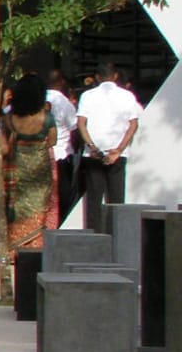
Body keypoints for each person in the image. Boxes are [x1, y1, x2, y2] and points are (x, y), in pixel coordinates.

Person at [76, 65, 141, 232]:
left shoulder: (87, 95)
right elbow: (133, 125)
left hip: (94, 154)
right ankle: (117, 236)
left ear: (97, 77)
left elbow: (81, 123)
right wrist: (119, 149)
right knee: (117, 200)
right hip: (117, 153)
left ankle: (94, 237)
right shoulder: (127, 96)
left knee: (94, 201)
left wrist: (92, 146)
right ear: (115, 76)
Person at [3, 73, 59, 253]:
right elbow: (53, 141)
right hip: (40, 165)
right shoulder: (46, 117)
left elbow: (5, 142)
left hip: (17, 164)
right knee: (40, 205)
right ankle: (36, 246)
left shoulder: (9, 118)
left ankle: (15, 247)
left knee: (17, 205)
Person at [47, 70, 81, 221]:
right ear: (61, 82)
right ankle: (60, 223)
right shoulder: (64, 103)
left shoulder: (37, 99)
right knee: (63, 196)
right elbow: (74, 129)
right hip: (61, 154)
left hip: (40, 155)